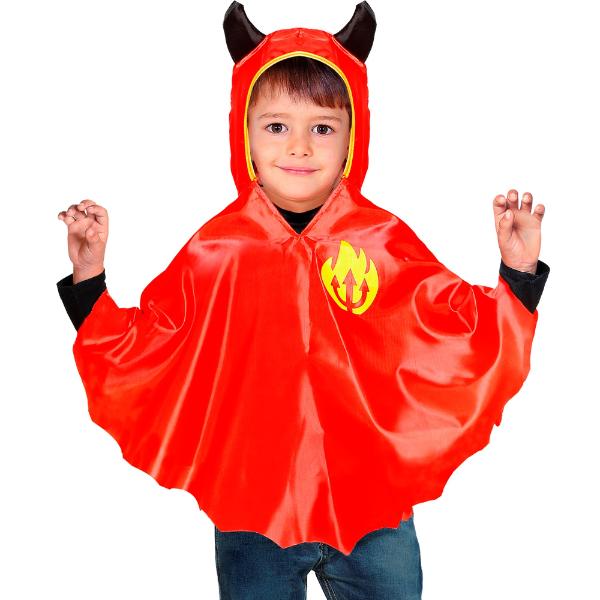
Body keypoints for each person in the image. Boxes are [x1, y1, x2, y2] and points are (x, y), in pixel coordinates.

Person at [56, 3, 549, 599]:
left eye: (322, 128)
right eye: (275, 126)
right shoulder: (219, 251)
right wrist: (90, 276)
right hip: (253, 511)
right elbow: (152, 345)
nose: (299, 147)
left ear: (352, 137)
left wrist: (517, 271)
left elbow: (456, 332)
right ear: (243, 133)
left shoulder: (382, 242)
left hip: (372, 509)